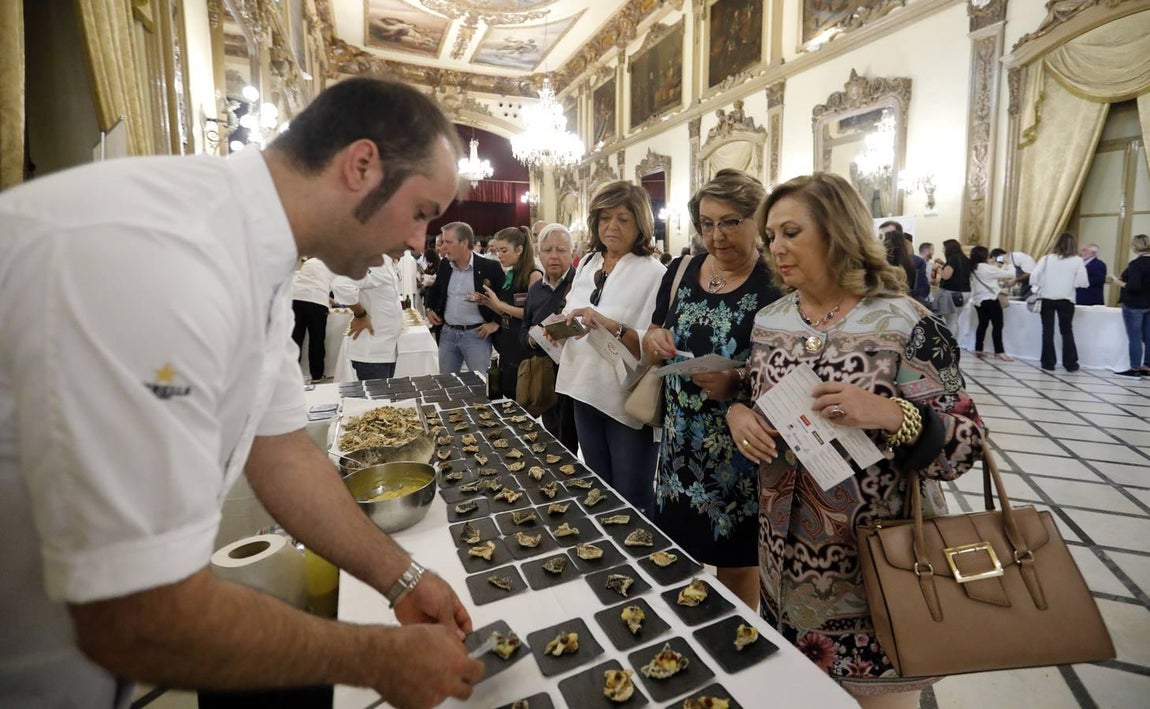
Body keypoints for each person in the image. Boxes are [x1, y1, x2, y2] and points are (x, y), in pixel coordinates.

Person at [0, 77, 485, 707]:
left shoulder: (257, 256)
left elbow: (283, 452)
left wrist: (401, 577)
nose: (420, 243)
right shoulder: (167, 258)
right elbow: (135, 616)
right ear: (361, 165)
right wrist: (373, 656)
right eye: (421, 213)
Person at [725, 172, 984, 706]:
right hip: (781, 560)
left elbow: (966, 445)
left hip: (876, 566)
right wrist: (737, 414)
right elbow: (756, 396)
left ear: (838, 232)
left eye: (792, 232)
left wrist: (889, 413)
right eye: (771, 235)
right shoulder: (771, 321)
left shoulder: (905, 323)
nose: (776, 248)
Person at [642, 169, 781, 609]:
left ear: (757, 220)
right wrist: (653, 341)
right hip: (681, 444)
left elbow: (790, 370)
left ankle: (738, 640)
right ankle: (691, 634)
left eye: (730, 221)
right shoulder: (682, 269)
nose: (715, 235)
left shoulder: (775, 284)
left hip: (740, 449)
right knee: (679, 548)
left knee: (737, 561)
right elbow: (655, 330)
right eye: (706, 223)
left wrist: (735, 382)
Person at [554, 181, 666, 516]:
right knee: (598, 488)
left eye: (622, 219)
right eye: (604, 219)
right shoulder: (588, 262)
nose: (611, 227)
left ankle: (643, 563)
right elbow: (576, 309)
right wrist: (561, 327)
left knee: (633, 495)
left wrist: (610, 325)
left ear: (640, 225)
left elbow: (655, 342)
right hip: (583, 387)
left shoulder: (654, 272)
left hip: (626, 399)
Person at [521, 224, 579, 452]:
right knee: (554, 440)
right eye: (547, 250)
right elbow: (523, 330)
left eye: (561, 250)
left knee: (580, 439)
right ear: (538, 253)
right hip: (547, 375)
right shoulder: (535, 290)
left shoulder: (582, 284)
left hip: (577, 375)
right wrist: (532, 340)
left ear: (572, 253)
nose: (554, 256)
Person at [424, 221, 505, 375]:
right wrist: (428, 309)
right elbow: (434, 291)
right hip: (448, 334)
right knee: (447, 383)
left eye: (448, 242)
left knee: (480, 384)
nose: (443, 247)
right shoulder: (445, 265)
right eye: (442, 243)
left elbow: (504, 299)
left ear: (464, 243)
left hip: (477, 336)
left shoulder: (490, 267)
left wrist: (496, 323)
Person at [477, 225, 543, 399]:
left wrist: (500, 305)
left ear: (519, 249)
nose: (499, 255)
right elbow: (505, 311)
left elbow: (530, 315)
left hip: (522, 347)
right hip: (507, 344)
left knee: (522, 399)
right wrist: (488, 302)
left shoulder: (534, 275)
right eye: (497, 250)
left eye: (504, 250)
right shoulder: (511, 274)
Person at [332, 257, 404, 381]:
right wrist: (360, 314)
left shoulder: (389, 263)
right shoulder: (372, 261)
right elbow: (340, 285)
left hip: (387, 349)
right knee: (377, 398)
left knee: (385, 396)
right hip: (372, 353)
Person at [1032, 232, 1089, 371]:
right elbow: (1083, 282)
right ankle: (1070, 363)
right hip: (1066, 299)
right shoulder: (1077, 260)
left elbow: (1034, 277)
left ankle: (1048, 363)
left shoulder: (1046, 258)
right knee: (1066, 330)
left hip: (1046, 298)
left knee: (1047, 330)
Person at [291, 256, 335, 382]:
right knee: (317, 339)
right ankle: (316, 375)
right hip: (317, 302)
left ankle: (293, 375)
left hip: (297, 299)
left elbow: (303, 281)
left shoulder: (309, 262)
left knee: (295, 339)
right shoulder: (332, 263)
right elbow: (338, 285)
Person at [1111, 233, 1150, 377]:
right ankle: (1147, 366)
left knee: (1135, 338)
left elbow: (1134, 286)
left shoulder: (1136, 264)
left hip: (1134, 305)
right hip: (1149, 304)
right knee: (1148, 337)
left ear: (1135, 246)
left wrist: (1119, 283)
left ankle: (1134, 368)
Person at [969, 245, 1016, 361]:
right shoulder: (988, 268)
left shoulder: (973, 267)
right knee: (998, 325)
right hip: (990, 299)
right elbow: (1011, 274)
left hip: (977, 301)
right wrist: (1008, 262)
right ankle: (999, 351)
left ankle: (978, 348)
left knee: (982, 324)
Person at [934, 238, 971, 335]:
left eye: (943, 248)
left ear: (949, 248)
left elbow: (946, 276)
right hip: (965, 292)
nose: (942, 250)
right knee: (955, 319)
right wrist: (943, 264)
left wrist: (937, 268)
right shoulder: (965, 258)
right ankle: (955, 343)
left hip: (952, 293)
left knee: (951, 321)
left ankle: (951, 345)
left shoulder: (953, 258)